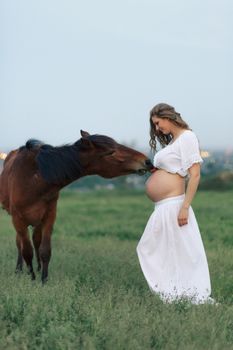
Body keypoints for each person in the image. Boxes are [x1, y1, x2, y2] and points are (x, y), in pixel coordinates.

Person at [137, 103, 213, 304]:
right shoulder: (174, 142)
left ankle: (181, 295)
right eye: (153, 125)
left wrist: (185, 207)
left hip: (175, 205)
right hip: (162, 207)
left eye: (157, 123)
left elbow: (194, 175)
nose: (156, 128)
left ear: (168, 117)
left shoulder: (187, 137)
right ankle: (171, 293)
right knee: (158, 250)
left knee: (180, 253)